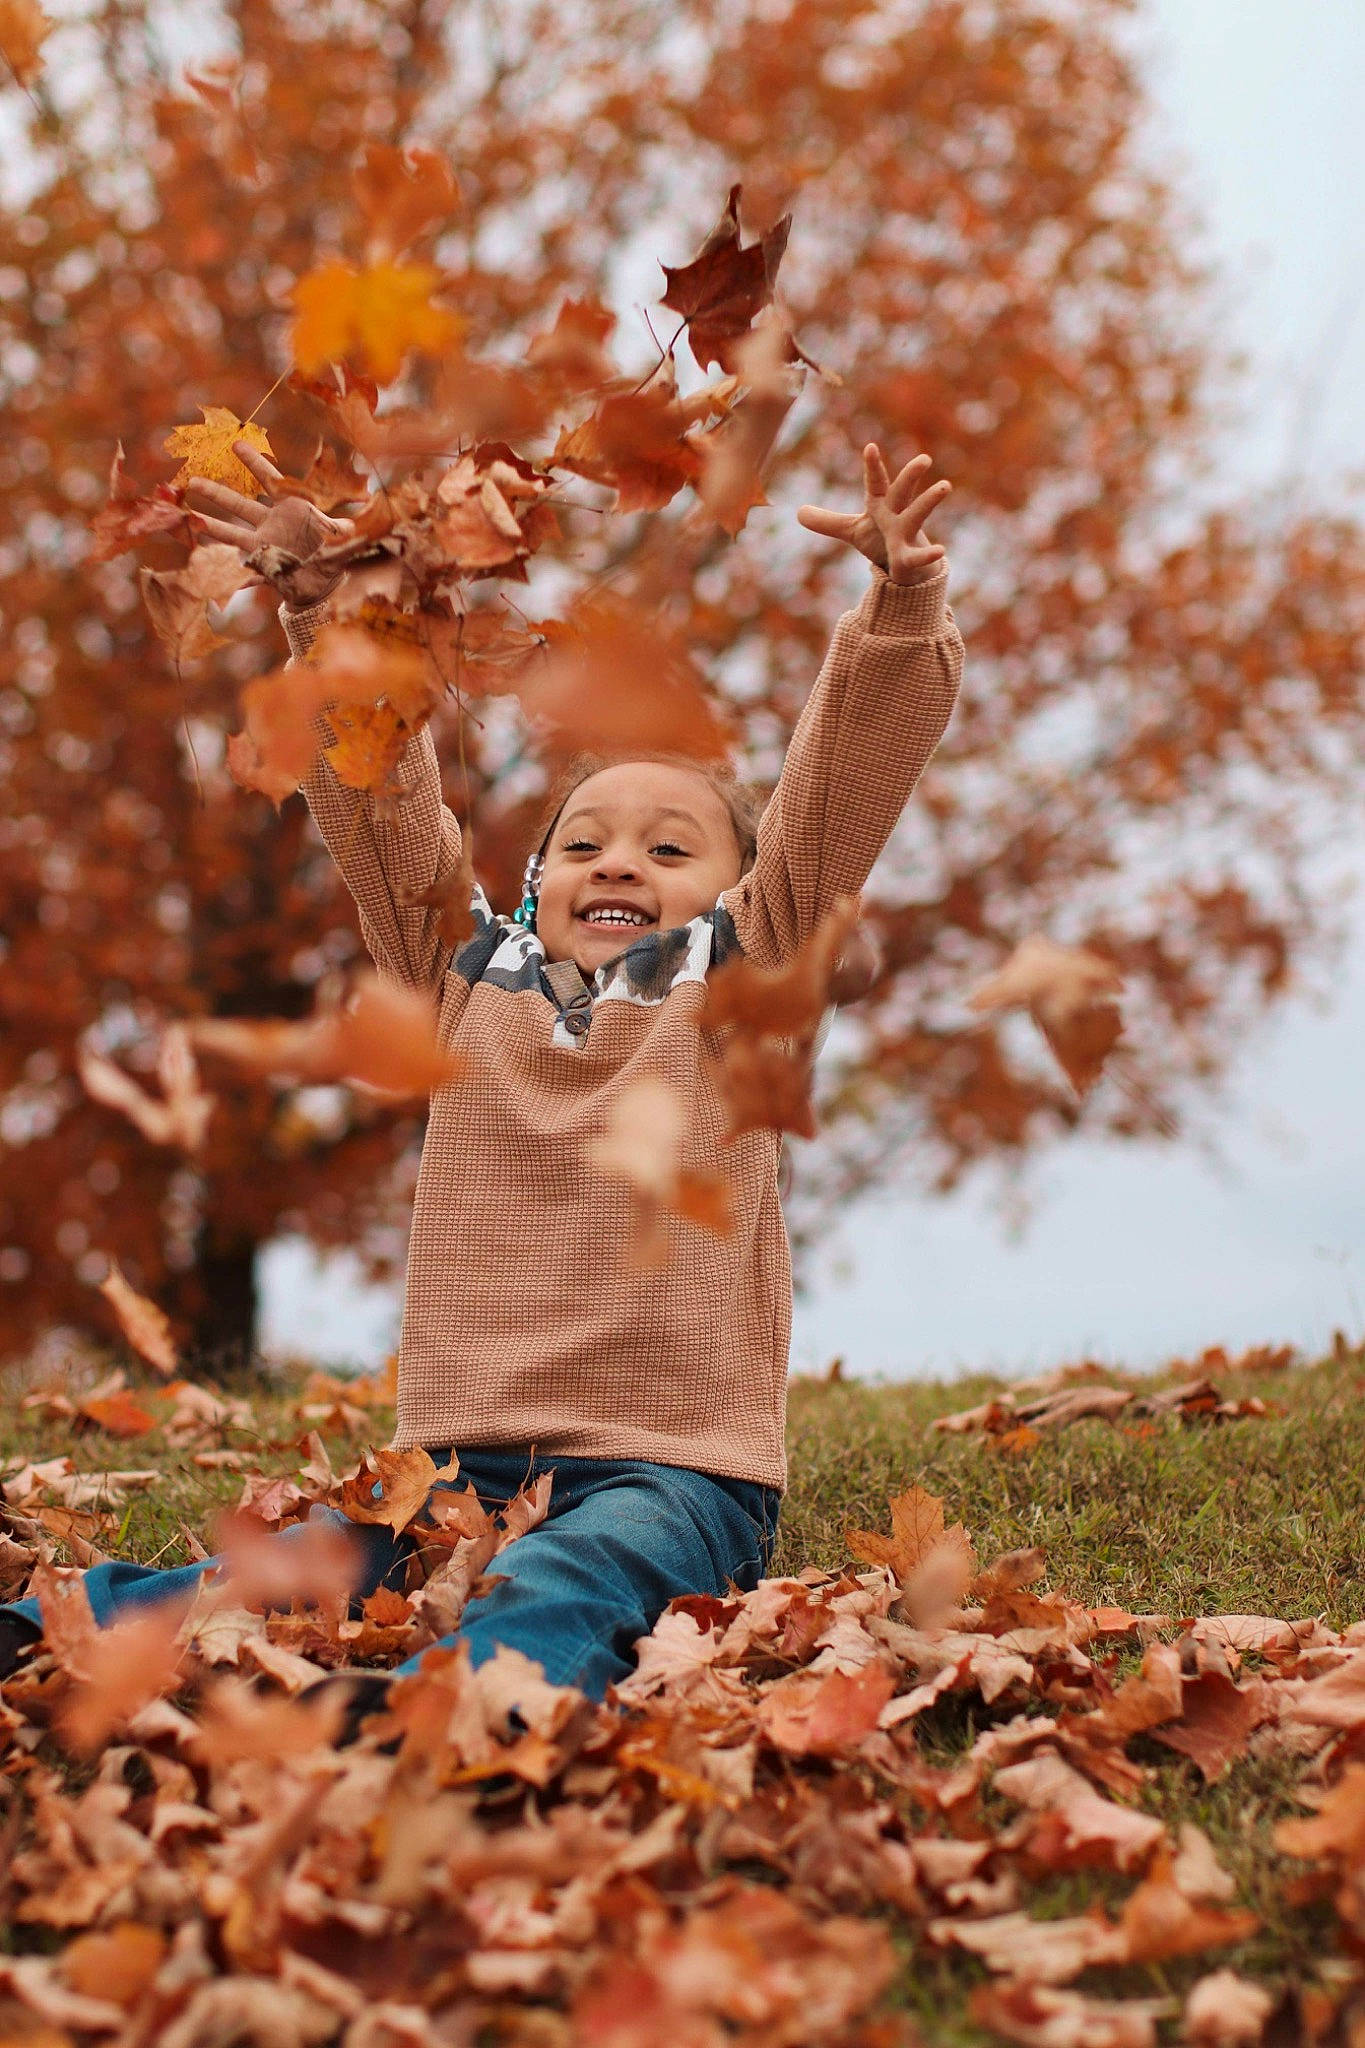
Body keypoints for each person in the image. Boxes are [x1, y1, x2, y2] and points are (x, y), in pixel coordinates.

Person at [0, 438, 962, 1727]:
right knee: (270, 1578)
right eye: (583, 842)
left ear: (738, 890)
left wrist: (899, 612)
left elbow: (836, 800)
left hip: (666, 1475)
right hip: (450, 1474)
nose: (619, 861)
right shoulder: (467, 984)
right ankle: (36, 1629)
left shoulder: (747, 975)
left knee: (569, 1577)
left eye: (670, 847)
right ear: (535, 882)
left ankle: (452, 1712)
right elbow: (389, 809)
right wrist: (328, 617)